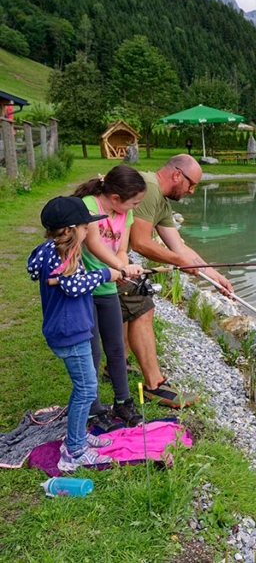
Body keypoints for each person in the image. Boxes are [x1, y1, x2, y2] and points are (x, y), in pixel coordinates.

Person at [121, 154, 233, 408]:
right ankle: (155, 386)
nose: (192, 191)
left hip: (113, 260)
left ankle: (118, 364)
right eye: (191, 184)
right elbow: (141, 243)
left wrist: (214, 276)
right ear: (176, 175)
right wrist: (178, 262)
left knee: (132, 301)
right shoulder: (148, 189)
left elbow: (178, 246)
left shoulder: (162, 203)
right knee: (140, 306)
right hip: (96, 262)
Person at [27, 196, 120, 472]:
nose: (88, 230)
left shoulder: (46, 250)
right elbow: (74, 287)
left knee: (83, 388)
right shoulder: (63, 255)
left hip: (65, 330)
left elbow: (33, 268)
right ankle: (75, 451)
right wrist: (106, 274)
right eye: (84, 226)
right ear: (69, 230)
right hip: (71, 333)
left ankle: (76, 435)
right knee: (85, 390)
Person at [74, 165, 147, 429]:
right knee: (91, 352)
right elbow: (94, 244)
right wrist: (117, 268)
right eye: (134, 202)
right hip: (84, 291)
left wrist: (124, 267)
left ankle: (123, 401)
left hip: (108, 290)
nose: (135, 207)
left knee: (116, 348)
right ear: (115, 198)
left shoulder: (124, 215)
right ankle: (94, 409)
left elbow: (122, 249)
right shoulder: (88, 206)